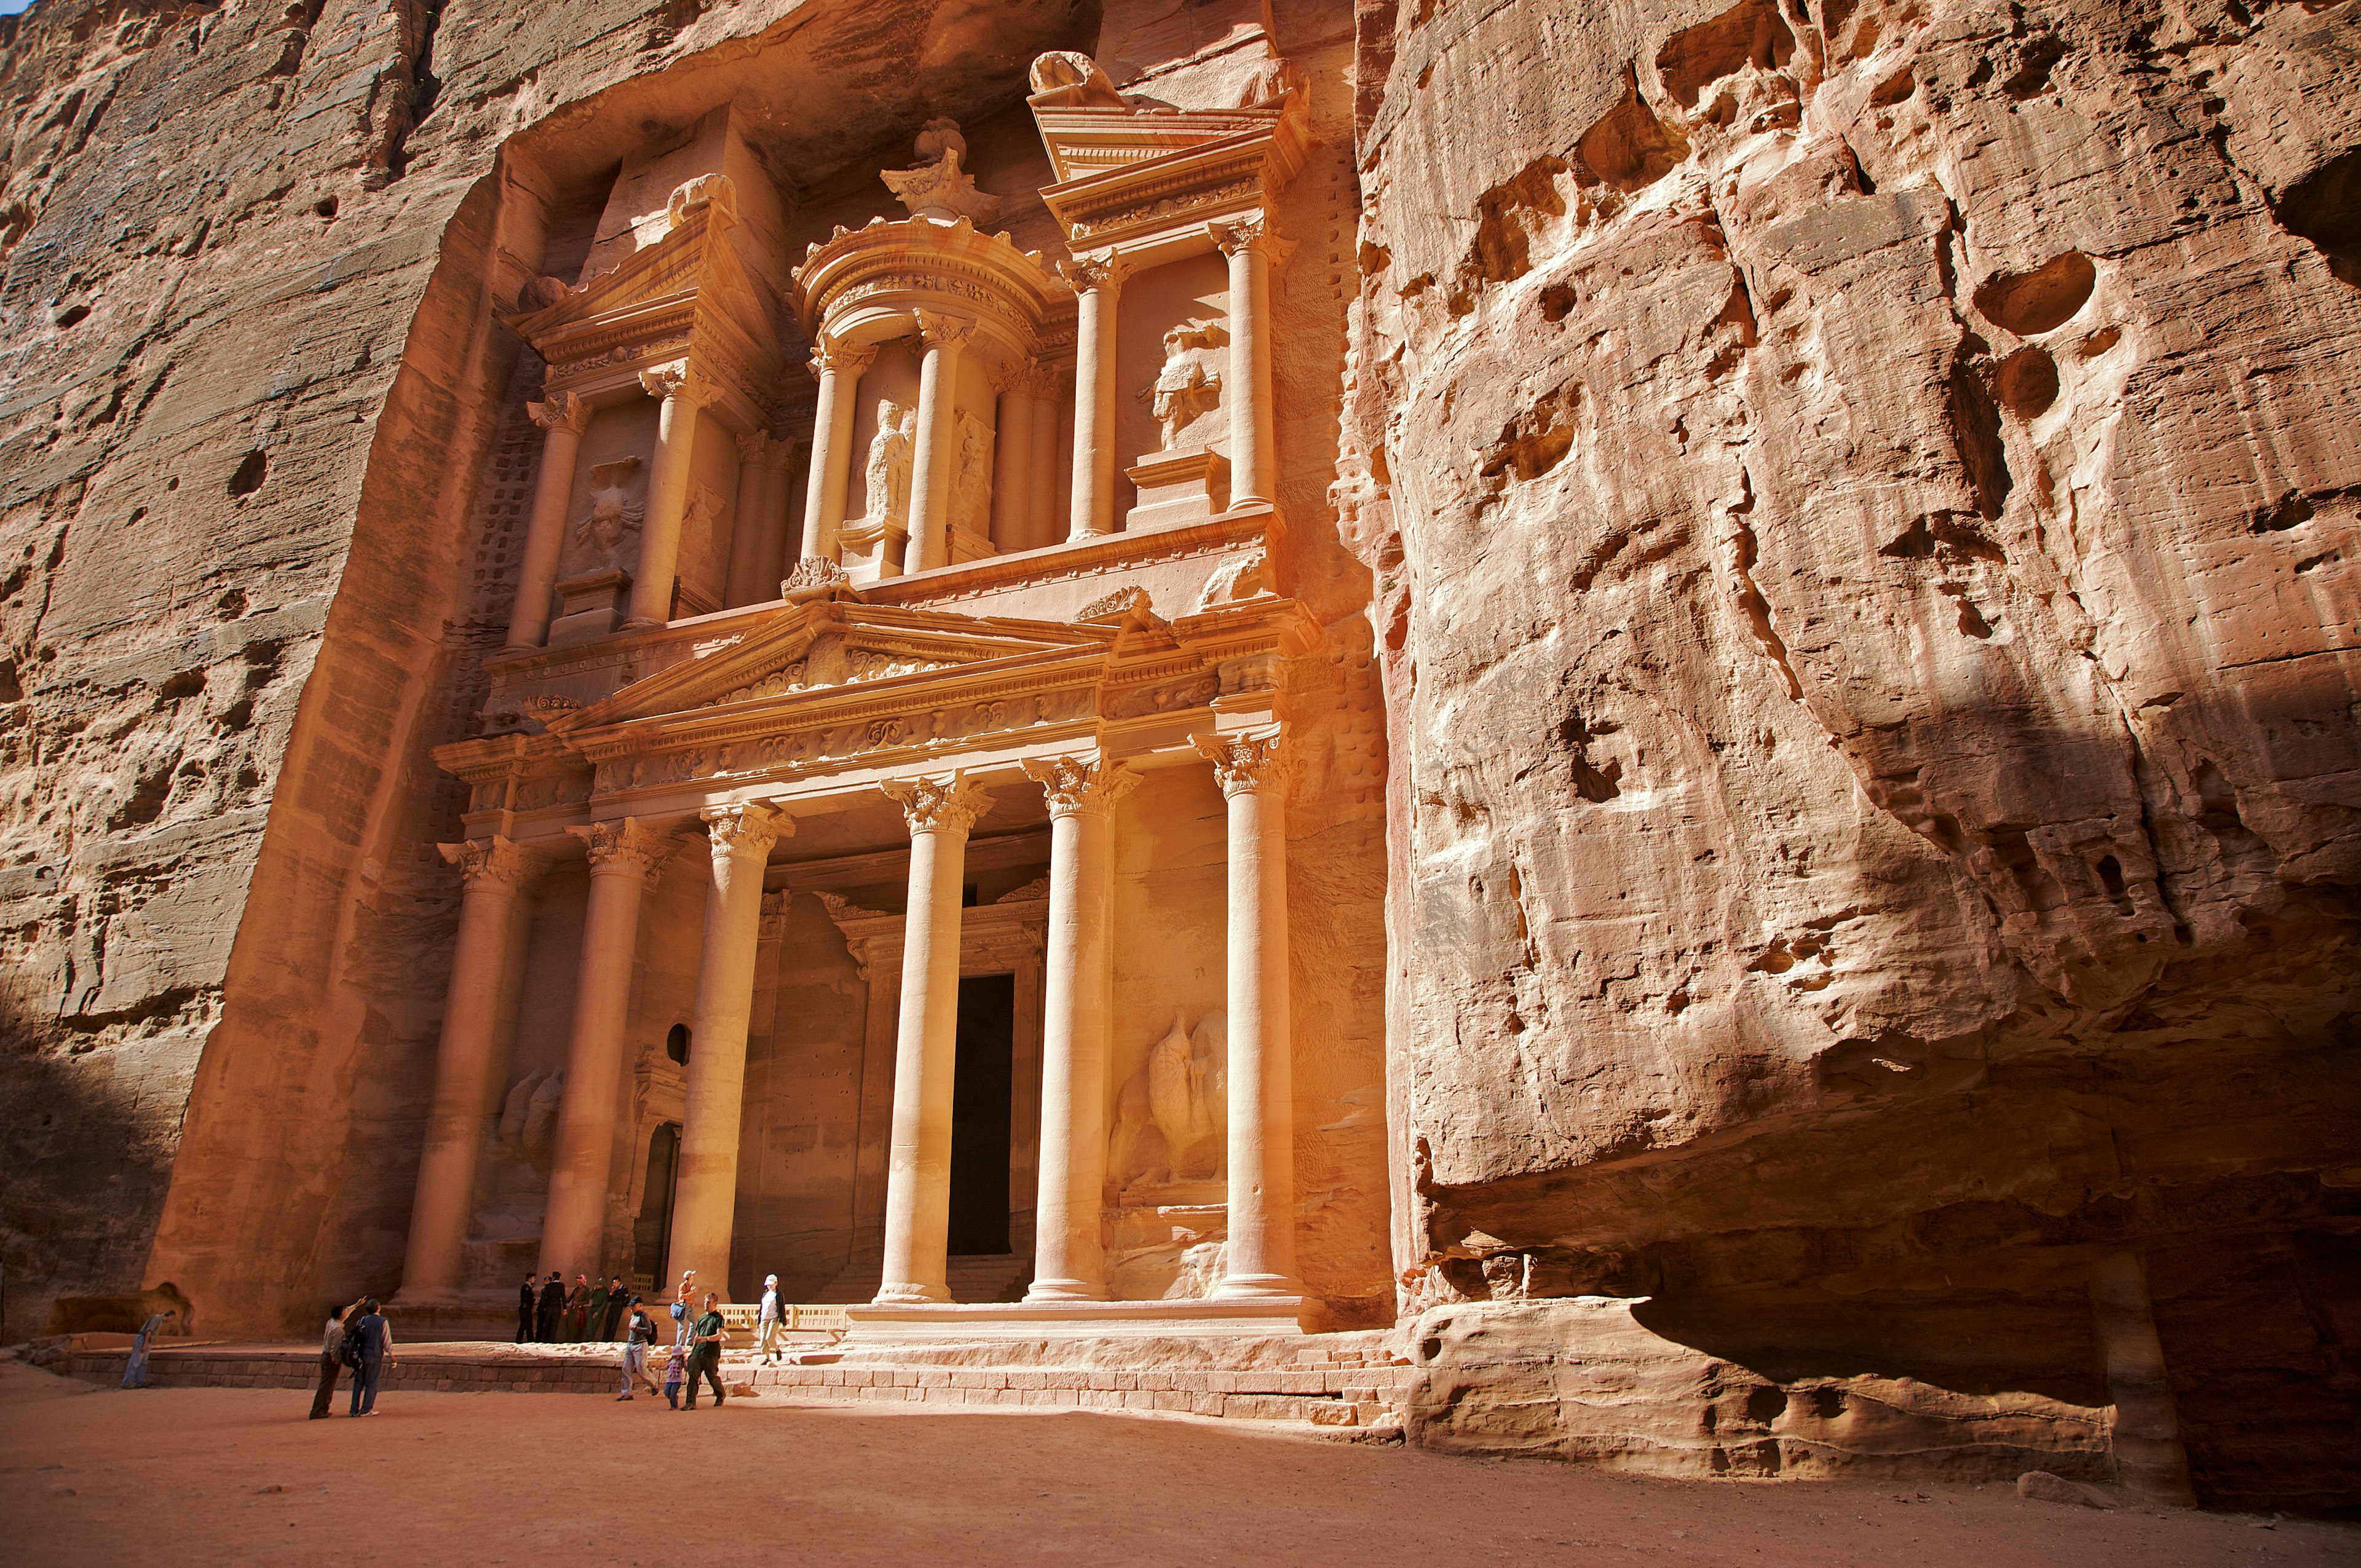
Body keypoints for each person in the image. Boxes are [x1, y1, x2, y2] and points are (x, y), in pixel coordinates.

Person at [310, 1299, 362, 1419]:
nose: (346, 1312)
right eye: (344, 1311)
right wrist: (336, 1360)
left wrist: (357, 1305)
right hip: (330, 1359)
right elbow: (335, 1348)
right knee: (327, 1386)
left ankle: (322, 1409)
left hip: (325, 1355)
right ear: (341, 1314)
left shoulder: (331, 1322)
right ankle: (318, 1411)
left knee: (326, 1384)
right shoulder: (338, 1329)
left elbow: (348, 1311)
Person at [346, 1298, 395, 1416]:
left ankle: (354, 1410)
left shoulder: (361, 1320)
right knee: (372, 1382)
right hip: (374, 1354)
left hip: (361, 1355)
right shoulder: (383, 1322)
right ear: (378, 1308)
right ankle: (366, 1409)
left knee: (359, 1382)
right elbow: (386, 1340)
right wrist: (391, 1354)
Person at [684, 1291, 727, 1410]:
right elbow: (697, 1336)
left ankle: (720, 1394)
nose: (705, 1304)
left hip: (711, 1353)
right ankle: (690, 1402)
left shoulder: (718, 1318)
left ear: (715, 1304)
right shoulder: (702, 1318)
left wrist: (707, 1339)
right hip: (698, 1352)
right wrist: (692, 1353)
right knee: (693, 1376)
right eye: (705, 1302)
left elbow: (719, 1335)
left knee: (711, 1377)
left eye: (708, 1302)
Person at [121, 1307, 176, 1389]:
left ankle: (139, 1383)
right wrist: (145, 1344)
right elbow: (149, 1331)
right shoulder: (157, 1319)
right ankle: (127, 1382)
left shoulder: (161, 1321)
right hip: (143, 1340)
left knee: (143, 1363)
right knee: (135, 1362)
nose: (171, 1320)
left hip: (148, 1342)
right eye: (172, 1318)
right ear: (170, 1316)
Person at [616, 1299, 657, 1401]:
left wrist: (637, 1329)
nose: (631, 1308)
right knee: (626, 1369)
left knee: (641, 1370)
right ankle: (627, 1394)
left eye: (633, 1306)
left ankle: (654, 1384)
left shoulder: (643, 1316)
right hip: (630, 1344)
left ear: (639, 1306)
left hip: (640, 1345)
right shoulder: (633, 1316)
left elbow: (648, 1330)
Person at [756, 1274, 783, 1365]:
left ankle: (777, 1350)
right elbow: (762, 1308)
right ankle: (767, 1358)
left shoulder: (778, 1295)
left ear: (776, 1283)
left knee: (770, 1338)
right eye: (768, 1284)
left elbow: (781, 1308)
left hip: (774, 1318)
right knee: (763, 1339)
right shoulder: (765, 1294)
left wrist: (783, 1320)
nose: (769, 1286)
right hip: (764, 1318)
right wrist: (758, 1320)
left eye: (771, 1284)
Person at [535, 1271, 564, 1341]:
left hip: (549, 1307)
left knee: (547, 1325)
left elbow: (544, 1299)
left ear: (553, 1278)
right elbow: (563, 1297)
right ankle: (550, 1340)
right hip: (557, 1307)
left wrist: (543, 1307)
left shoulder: (549, 1286)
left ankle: (544, 1339)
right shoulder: (561, 1285)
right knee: (553, 1326)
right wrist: (565, 1308)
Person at [561, 1274, 591, 1342]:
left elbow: (587, 1301)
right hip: (573, 1310)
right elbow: (569, 1299)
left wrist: (578, 1304)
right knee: (570, 1327)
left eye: (577, 1281)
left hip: (579, 1311)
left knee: (576, 1328)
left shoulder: (586, 1290)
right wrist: (564, 1298)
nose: (575, 1283)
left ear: (581, 1281)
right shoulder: (576, 1290)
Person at [600, 1277, 630, 1342]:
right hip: (612, 1307)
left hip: (618, 1307)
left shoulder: (624, 1289)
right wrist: (611, 1293)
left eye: (615, 1283)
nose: (614, 1284)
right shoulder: (614, 1290)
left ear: (619, 1283)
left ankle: (610, 1340)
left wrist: (623, 1306)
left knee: (614, 1325)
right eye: (613, 1283)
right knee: (608, 1323)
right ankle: (604, 1340)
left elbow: (627, 1299)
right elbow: (609, 1300)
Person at [583, 1277, 609, 1344]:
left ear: (601, 1285)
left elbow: (604, 1303)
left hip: (598, 1309)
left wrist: (598, 1312)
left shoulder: (605, 1291)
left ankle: (590, 1339)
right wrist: (593, 1290)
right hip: (593, 1308)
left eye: (598, 1284)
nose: (597, 1285)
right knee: (589, 1325)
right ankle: (588, 1338)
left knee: (594, 1326)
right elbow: (589, 1297)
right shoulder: (595, 1290)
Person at [661, 1344, 685, 1409]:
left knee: (672, 1394)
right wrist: (659, 1368)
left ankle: (674, 1405)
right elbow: (666, 1368)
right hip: (670, 1380)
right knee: (666, 1392)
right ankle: (674, 1398)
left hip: (677, 1381)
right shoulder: (671, 1361)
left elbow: (686, 1368)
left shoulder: (682, 1362)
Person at [515, 1274, 537, 1344]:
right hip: (525, 1309)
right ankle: (530, 1341)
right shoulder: (526, 1287)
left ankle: (519, 1340)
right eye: (534, 1278)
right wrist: (534, 1301)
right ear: (530, 1279)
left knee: (524, 1325)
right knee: (528, 1325)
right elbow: (526, 1298)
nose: (535, 1280)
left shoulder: (528, 1287)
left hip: (527, 1308)